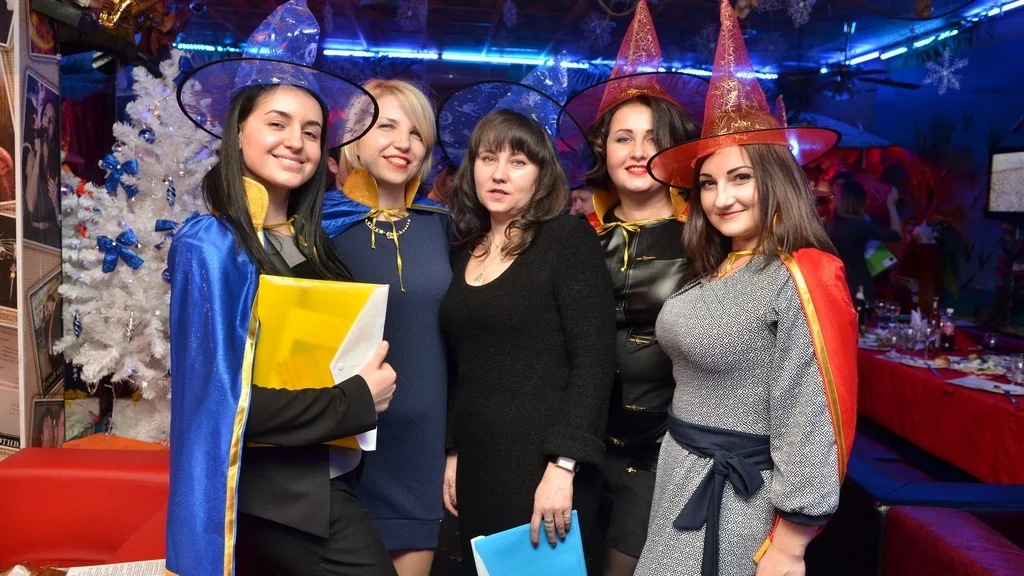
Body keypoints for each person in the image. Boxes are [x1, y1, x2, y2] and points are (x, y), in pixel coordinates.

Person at [166, 3, 398, 574]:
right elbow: (219, 405)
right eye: (277, 123)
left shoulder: (308, 240)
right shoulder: (211, 244)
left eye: (312, 132)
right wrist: (357, 401)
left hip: (323, 482)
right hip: (276, 498)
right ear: (238, 131)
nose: (297, 142)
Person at [638, 1, 858, 574]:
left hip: (740, 500)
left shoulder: (800, 273)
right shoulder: (719, 265)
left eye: (740, 178)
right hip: (680, 475)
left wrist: (791, 542)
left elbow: (810, 412)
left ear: (776, 179)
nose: (721, 198)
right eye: (708, 184)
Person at [437, 81, 615, 574]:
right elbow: (460, 366)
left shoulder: (565, 240)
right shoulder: (460, 252)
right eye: (488, 158)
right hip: (478, 461)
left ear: (541, 175)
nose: (499, 173)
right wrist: (454, 449)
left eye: (518, 162)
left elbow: (595, 360)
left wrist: (564, 464)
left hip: (544, 464)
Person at [562, 2, 705, 573]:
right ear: (604, 149)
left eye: (653, 138)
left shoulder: (706, 238)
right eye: (623, 137)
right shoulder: (573, 236)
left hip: (662, 454)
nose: (638, 151)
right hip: (573, 447)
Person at [324, 78, 450, 576]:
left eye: (416, 133)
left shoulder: (444, 227)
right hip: (342, 451)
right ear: (354, 139)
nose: (403, 142)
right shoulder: (317, 228)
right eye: (387, 126)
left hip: (421, 452)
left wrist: (456, 447)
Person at [828, 179, 902, 301]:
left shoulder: (830, 226)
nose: (831, 200)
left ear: (844, 201)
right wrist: (891, 206)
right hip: (857, 286)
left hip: (841, 286)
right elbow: (896, 234)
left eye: (834, 196)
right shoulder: (859, 225)